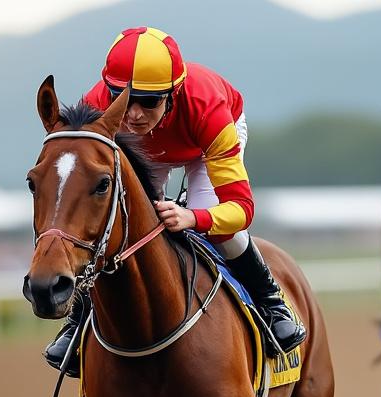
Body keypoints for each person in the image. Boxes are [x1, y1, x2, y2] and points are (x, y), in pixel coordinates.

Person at [44, 26, 305, 373]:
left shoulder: (206, 107)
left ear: (173, 92)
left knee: (217, 228)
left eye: (149, 101)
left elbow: (241, 210)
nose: (134, 113)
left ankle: (271, 303)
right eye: (121, 96)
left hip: (203, 144)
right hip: (146, 151)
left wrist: (193, 218)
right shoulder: (96, 107)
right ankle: (78, 322)